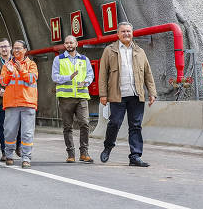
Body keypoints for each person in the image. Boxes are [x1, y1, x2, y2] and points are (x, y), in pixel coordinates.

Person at [98, 22, 157, 167]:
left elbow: (148, 73)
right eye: (123, 31)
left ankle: (135, 156)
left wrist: (152, 92)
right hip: (117, 94)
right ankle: (108, 146)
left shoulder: (139, 51)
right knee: (114, 123)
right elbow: (103, 74)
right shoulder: (109, 50)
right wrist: (103, 94)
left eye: (128, 31)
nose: (126, 34)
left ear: (132, 33)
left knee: (135, 126)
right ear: (118, 34)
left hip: (136, 94)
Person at [52, 35, 94, 163]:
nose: (69, 45)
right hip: (65, 98)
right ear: (64, 45)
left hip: (81, 97)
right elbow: (55, 77)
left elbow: (90, 74)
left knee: (85, 123)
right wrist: (68, 77)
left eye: (71, 42)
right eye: (66, 43)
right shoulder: (58, 59)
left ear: (76, 44)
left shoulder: (84, 59)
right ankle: (71, 154)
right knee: (67, 127)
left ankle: (84, 153)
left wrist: (86, 82)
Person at [0, 40, 38, 168]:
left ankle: (26, 158)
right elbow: (3, 82)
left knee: (27, 133)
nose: (16, 51)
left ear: (25, 50)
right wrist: (10, 72)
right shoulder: (7, 65)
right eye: (14, 48)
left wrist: (21, 70)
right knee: (10, 131)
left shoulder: (31, 64)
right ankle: (9, 155)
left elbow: (32, 78)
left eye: (19, 48)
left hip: (28, 103)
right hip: (11, 104)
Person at [0, 38, 20, 161]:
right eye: (1, 47)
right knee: (4, 126)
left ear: (10, 47)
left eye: (6, 46)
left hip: (17, 99)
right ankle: (4, 151)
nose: (4, 49)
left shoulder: (18, 61)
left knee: (19, 124)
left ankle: (18, 146)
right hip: (2, 99)